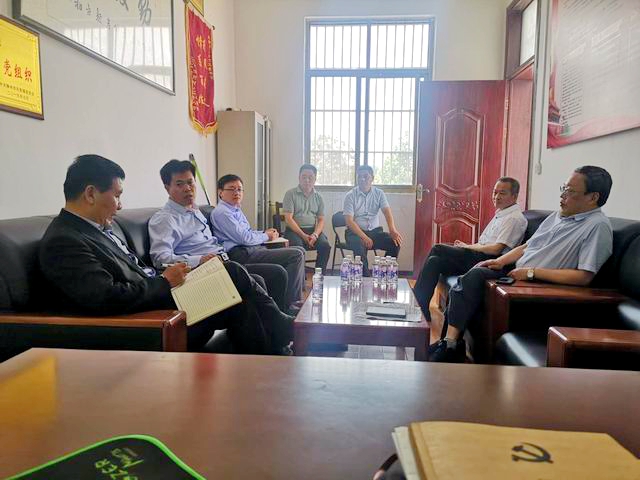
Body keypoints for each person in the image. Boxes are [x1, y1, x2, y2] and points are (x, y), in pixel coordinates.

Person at [39, 155, 294, 355]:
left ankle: (275, 355)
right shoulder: (65, 241)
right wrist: (165, 282)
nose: (120, 205)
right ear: (90, 194)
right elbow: (106, 297)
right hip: (151, 318)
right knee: (233, 273)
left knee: (240, 300)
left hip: (159, 297)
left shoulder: (95, 229)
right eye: (117, 196)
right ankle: (286, 331)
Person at [429, 166, 613, 363]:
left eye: (570, 191)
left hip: (538, 284)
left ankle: (450, 345)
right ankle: (449, 344)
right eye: (563, 188)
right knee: (470, 276)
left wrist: (532, 273)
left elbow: (584, 276)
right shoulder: (558, 216)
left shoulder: (597, 226)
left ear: (593, 197)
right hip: (518, 271)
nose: (562, 196)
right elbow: (528, 245)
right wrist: (499, 261)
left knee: (472, 277)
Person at [148, 160, 289, 312]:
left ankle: (277, 320)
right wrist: (199, 260)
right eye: (179, 184)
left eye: (190, 182)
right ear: (167, 188)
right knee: (251, 275)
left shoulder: (195, 211)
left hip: (221, 263)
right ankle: (280, 321)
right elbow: (160, 259)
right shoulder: (165, 219)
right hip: (198, 273)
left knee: (277, 273)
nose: (187, 188)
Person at [413, 177, 527, 319]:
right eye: (495, 192)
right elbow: (483, 243)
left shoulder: (514, 218)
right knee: (434, 261)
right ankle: (421, 307)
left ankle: (415, 302)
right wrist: (467, 247)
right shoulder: (502, 214)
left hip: (490, 261)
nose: (496, 197)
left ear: (514, 196)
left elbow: (496, 249)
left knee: (438, 248)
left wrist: (469, 249)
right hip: (479, 255)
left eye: (502, 193)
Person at [211, 174, 305, 310]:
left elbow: (248, 232)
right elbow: (244, 238)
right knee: (296, 255)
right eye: (231, 189)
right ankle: (290, 304)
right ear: (220, 192)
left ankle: (291, 301)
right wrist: (266, 236)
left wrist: (264, 233)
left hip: (251, 249)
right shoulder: (222, 212)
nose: (237, 192)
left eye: (239, 189)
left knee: (300, 250)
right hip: (241, 254)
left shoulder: (235, 209)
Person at [343, 165, 403, 275]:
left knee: (395, 243)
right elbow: (349, 221)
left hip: (375, 232)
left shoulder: (379, 193)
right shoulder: (350, 195)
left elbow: (386, 211)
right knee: (359, 246)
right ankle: (365, 278)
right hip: (355, 233)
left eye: (366, 176)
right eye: (359, 177)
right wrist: (364, 237)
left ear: (372, 178)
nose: (362, 179)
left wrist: (392, 229)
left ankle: (383, 273)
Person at [282, 164, 330, 273]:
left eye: (310, 177)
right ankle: (299, 278)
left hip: (313, 230)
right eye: (304, 177)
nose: (307, 180)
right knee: (298, 248)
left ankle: (319, 276)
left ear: (315, 179)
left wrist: (315, 235)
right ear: (299, 178)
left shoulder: (319, 197)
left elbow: (321, 220)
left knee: (325, 246)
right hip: (294, 231)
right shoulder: (290, 194)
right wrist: (303, 235)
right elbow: (288, 219)